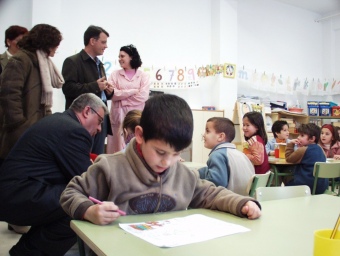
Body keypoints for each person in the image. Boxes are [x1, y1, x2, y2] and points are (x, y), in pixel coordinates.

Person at [60, 94, 261, 229]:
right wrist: (88, 211)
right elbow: (70, 193)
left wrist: (242, 203)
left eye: (176, 154)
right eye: (160, 152)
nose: (167, 162)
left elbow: (210, 193)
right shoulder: (110, 167)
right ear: (139, 135)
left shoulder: (182, 174)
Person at [0, 93, 108, 256]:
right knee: (78, 206)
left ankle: (25, 251)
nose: (100, 129)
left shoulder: (60, 122)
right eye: (100, 121)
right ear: (87, 111)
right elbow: (89, 183)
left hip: (17, 191)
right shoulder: (74, 131)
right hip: (17, 194)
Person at [0, 24, 63, 167]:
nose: (56, 48)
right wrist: (19, 124)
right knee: (12, 173)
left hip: (34, 129)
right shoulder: (21, 60)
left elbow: (44, 101)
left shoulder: (43, 63)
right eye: (55, 44)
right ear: (47, 42)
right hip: (19, 131)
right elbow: (9, 95)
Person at [62, 25, 114, 155]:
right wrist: (95, 86)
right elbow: (68, 89)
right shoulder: (72, 61)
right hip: (84, 120)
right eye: (103, 42)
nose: (106, 46)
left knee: (98, 157)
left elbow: (99, 92)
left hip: (100, 118)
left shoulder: (99, 64)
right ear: (92, 41)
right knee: (81, 157)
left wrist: (109, 92)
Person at [106, 44, 150, 153]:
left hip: (136, 117)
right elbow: (112, 94)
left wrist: (123, 100)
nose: (119, 59)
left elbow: (143, 96)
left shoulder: (143, 76)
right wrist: (133, 91)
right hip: (118, 117)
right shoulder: (114, 75)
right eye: (119, 57)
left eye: (122, 56)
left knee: (136, 147)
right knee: (116, 150)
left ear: (131, 57)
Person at [198, 117, 254, 196]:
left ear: (220, 136)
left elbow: (216, 184)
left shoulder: (217, 155)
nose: (204, 135)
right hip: (246, 200)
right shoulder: (240, 154)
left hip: (230, 203)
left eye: (207, 131)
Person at [285, 123, 327, 194]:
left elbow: (288, 158)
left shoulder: (303, 150)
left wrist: (291, 144)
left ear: (312, 139)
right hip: (321, 187)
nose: (298, 137)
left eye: (302, 135)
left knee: (286, 180)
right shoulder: (321, 149)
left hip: (305, 187)